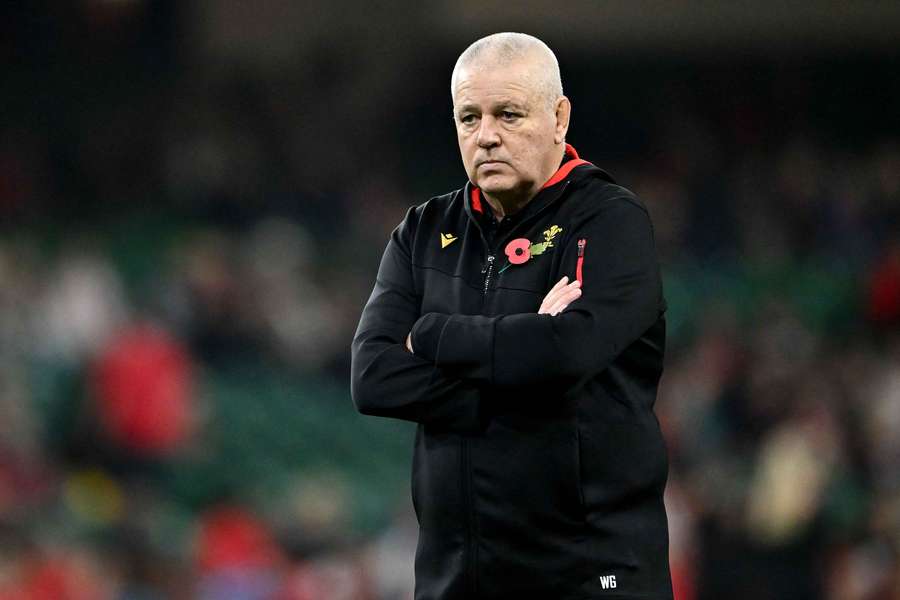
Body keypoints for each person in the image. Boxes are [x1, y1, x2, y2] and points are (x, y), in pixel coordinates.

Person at [351, 32, 672, 600]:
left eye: (509, 114)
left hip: (591, 572)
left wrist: (431, 334)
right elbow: (372, 378)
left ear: (559, 117)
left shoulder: (610, 222)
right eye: (469, 117)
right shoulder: (422, 232)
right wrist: (528, 375)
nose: (487, 136)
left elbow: (569, 352)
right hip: (458, 576)